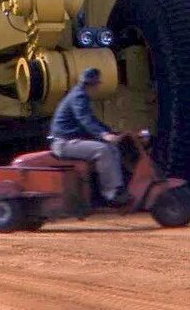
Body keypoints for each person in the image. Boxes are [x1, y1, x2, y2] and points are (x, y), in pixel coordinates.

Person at [49, 67, 130, 206]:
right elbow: (85, 119)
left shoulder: (80, 95)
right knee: (102, 150)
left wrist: (111, 133)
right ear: (93, 84)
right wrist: (103, 134)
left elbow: (92, 120)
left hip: (70, 141)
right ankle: (111, 194)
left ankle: (119, 188)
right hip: (64, 143)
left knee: (112, 148)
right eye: (97, 83)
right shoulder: (79, 96)